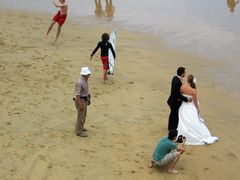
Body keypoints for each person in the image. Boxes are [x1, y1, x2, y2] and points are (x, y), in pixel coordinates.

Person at [177, 74, 218, 145]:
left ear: (187, 80)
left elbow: (180, 95)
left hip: (183, 105)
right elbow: (195, 101)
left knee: (182, 118)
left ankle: (182, 132)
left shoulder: (182, 87)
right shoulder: (193, 90)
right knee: (193, 119)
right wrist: (198, 108)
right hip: (190, 106)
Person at [74, 67, 91, 137]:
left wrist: (88, 98)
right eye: (88, 74)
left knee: (83, 115)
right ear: (84, 74)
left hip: (85, 99)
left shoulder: (85, 80)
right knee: (80, 116)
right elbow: (77, 95)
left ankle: (80, 127)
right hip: (81, 100)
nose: (89, 75)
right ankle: (79, 132)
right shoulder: (80, 82)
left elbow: (85, 91)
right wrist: (80, 104)